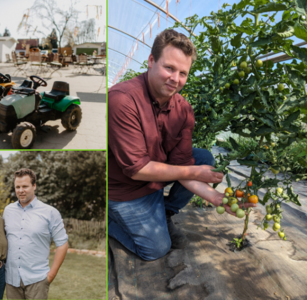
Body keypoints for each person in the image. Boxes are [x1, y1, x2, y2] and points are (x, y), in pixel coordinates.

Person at [108, 29, 257, 261]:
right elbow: (137, 169)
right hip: (124, 189)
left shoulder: (183, 109)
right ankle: (106, 219)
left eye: (183, 73)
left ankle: (164, 212)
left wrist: (216, 198)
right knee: (155, 250)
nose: (175, 79)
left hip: (154, 178)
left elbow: (181, 163)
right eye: (169, 68)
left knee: (204, 159)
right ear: (151, 61)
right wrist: (194, 171)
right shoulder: (122, 100)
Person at [3, 168, 69, 300]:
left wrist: (50, 276)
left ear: (34, 186)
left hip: (37, 280)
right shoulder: (8, 210)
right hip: (11, 280)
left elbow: (62, 244)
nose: (21, 190)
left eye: (25, 186)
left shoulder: (50, 212)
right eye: (18, 187)